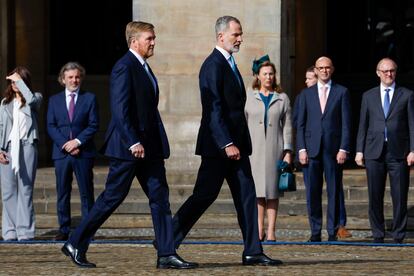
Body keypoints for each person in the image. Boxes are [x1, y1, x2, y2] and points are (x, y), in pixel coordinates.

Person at [61, 21, 197, 269]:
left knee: (160, 197)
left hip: (150, 148)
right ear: (134, 41)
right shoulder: (124, 67)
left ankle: (166, 253)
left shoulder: (144, 67)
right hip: (128, 147)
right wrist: (133, 140)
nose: (154, 42)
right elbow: (120, 109)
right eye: (149, 38)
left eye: (154, 38)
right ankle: (76, 241)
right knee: (112, 197)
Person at [171, 16, 281, 266]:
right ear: (221, 36)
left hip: (237, 146)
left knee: (246, 195)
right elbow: (213, 108)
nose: (240, 38)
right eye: (236, 34)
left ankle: (253, 250)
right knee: (204, 195)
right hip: (218, 147)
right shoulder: (213, 65)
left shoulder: (228, 64)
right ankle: (168, 239)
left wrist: (236, 143)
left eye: (241, 34)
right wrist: (225, 143)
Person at [355, 58, 414, 243]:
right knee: (374, 195)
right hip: (374, 151)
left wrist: (413, 150)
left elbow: (412, 125)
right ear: (378, 72)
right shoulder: (368, 96)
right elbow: (363, 125)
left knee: (399, 195)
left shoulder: (407, 94)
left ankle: (398, 234)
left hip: (399, 152)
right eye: (385, 71)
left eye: (392, 71)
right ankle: (378, 233)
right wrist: (359, 150)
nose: (389, 74)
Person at [293, 66, 352, 239]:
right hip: (311, 150)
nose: (324, 71)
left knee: (334, 191)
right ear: (316, 71)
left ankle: (333, 230)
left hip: (333, 151)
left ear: (332, 70)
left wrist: (343, 148)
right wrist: (301, 149)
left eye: (327, 68)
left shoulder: (342, 92)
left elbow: (346, 124)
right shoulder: (306, 94)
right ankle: (315, 231)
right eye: (321, 68)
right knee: (313, 192)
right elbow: (300, 125)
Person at [47, 62, 99, 241]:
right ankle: (64, 228)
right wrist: (66, 144)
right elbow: (51, 126)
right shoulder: (54, 100)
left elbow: (93, 125)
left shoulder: (89, 98)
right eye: (70, 77)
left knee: (86, 192)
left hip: (83, 153)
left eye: (77, 77)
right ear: (63, 79)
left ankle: (87, 230)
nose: (74, 80)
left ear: (81, 78)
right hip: (61, 154)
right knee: (63, 192)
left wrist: (77, 142)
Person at [244, 55, 292, 242]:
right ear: (258, 76)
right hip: (254, 151)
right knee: (257, 193)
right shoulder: (248, 96)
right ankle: (258, 230)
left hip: (274, 149)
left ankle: (271, 231)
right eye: (265, 74)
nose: (269, 77)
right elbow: (242, 122)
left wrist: (288, 152)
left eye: (271, 74)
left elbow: (288, 127)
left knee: (272, 192)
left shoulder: (282, 98)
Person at [0, 66, 42, 241]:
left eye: (18, 80)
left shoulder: (36, 97)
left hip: (27, 147)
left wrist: (20, 81)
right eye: (12, 81)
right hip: (8, 148)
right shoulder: (5, 103)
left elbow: (31, 101)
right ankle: (10, 231)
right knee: (8, 191)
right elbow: (1, 127)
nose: (15, 84)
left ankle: (25, 231)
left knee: (25, 190)